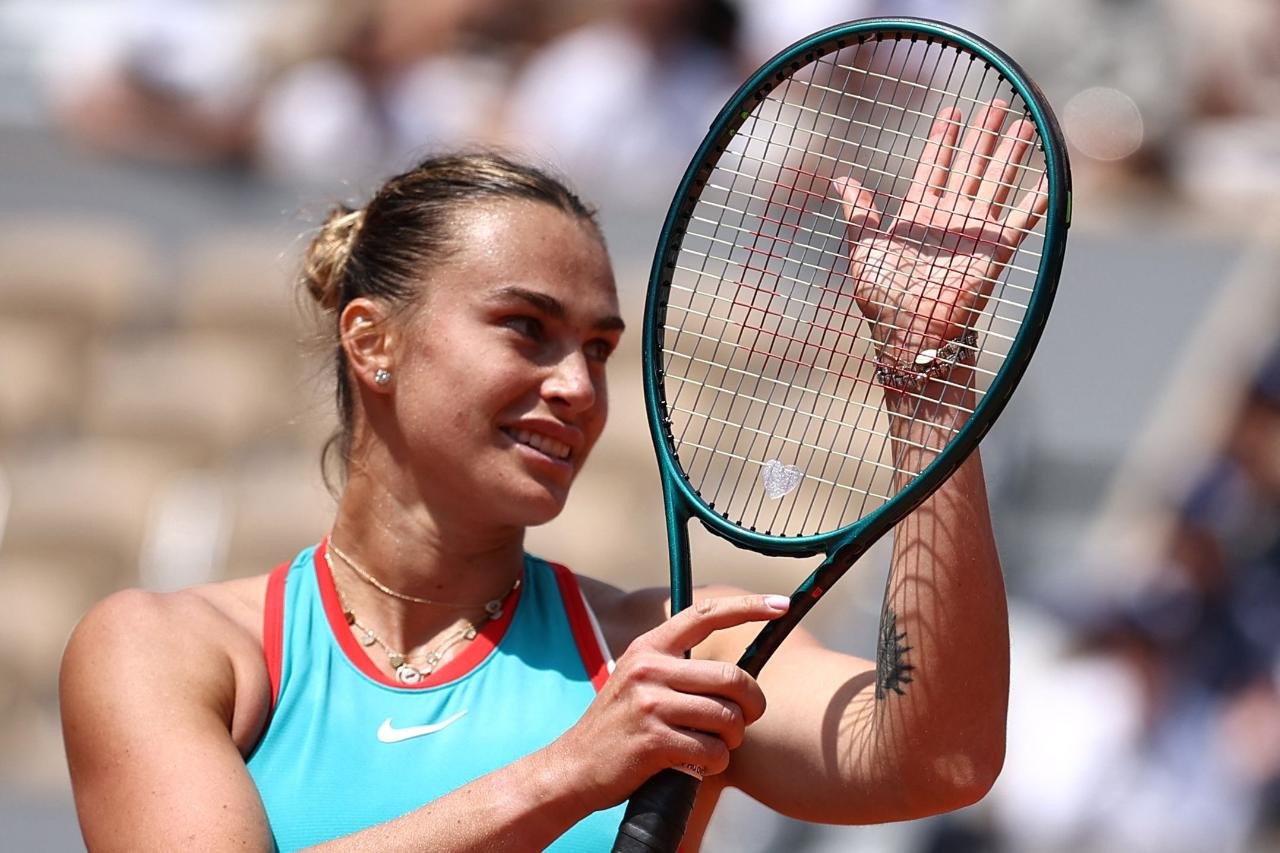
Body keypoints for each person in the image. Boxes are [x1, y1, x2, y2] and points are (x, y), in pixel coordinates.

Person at [61, 101, 1032, 850]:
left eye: (599, 348)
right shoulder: (166, 648)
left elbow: (934, 758)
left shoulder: (671, 651)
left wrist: (926, 372)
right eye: (526, 329)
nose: (575, 386)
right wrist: (566, 773)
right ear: (373, 340)